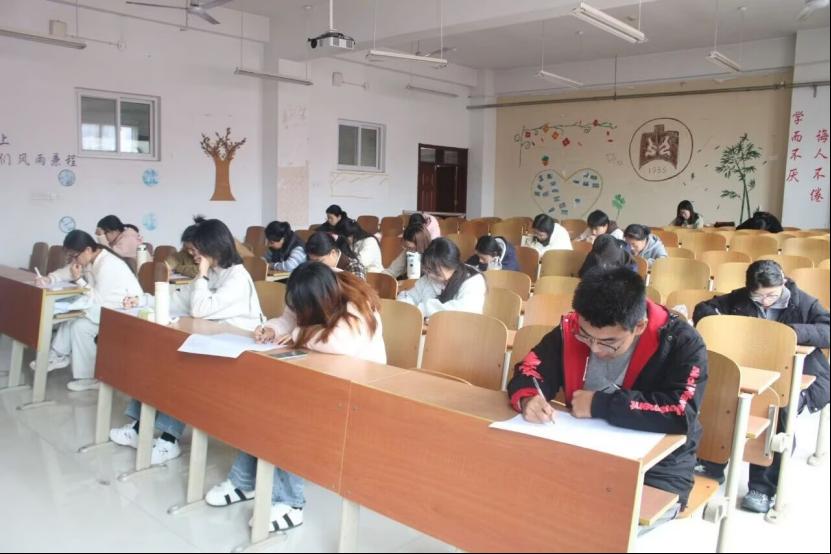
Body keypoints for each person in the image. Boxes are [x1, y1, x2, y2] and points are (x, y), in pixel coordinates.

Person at [507, 267, 708, 524]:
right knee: (522, 501)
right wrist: (529, 397)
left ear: (639, 326)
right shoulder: (573, 328)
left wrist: (601, 404)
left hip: (658, 468)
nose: (594, 348)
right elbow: (531, 369)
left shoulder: (681, 342)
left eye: (609, 342)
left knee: (604, 525)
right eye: (586, 336)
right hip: (582, 453)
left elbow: (681, 412)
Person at [204, 262, 385, 533]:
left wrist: (296, 334)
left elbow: (339, 342)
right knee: (264, 403)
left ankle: (289, 504)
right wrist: (271, 329)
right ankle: (244, 481)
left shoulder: (356, 302)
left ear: (320, 299)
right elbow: (289, 319)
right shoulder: (310, 289)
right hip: (323, 378)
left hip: (359, 393)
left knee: (289, 415)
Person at [111, 218, 265, 465]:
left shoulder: (237, 277)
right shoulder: (212, 273)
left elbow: (200, 309)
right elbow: (179, 301)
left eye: (196, 250)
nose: (193, 256)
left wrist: (201, 275)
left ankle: (168, 440)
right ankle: (140, 426)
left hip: (239, 353)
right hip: (214, 345)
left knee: (181, 371)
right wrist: (144, 301)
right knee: (163, 362)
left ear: (214, 247)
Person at [692, 259, 829, 513]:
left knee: (775, 407)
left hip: (794, 373)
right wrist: (724, 324)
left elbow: (827, 329)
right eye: (758, 296)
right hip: (750, 367)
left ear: (783, 283)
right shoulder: (740, 298)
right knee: (719, 396)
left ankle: (762, 487)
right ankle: (712, 461)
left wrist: (789, 333)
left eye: (772, 295)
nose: (765, 302)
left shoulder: (803, 302)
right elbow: (704, 309)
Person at [32, 230, 142, 392]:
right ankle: (83, 373)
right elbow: (67, 271)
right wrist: (49, 279)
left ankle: (59, 355)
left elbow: (97, 299)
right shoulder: (89, 259)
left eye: (74, 256)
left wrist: (78, 279)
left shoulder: (108, 264)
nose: (73, 260)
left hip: (125, 311)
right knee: (78, 323)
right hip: (106, 308)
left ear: (88, 250)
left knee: (79, 318)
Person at [397, 237, 486, 317]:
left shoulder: (473, 281)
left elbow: (465, 311)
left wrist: (423, 309)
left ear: (452, 265)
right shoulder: (430, 276)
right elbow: (408, 296)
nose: (430, 274)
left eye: (436, 271)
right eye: (428, 269)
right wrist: (408, 308)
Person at [165, 217, 253, 278]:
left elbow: (199, 271)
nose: (191, 252)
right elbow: (175, 259)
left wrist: (179, 268)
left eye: (193, 248)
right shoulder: (213, 270)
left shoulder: (235, 275)